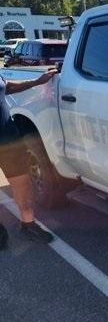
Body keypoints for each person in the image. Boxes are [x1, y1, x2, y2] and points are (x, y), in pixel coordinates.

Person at [0, 70, 57, 249]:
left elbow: (6, 87)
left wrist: (36, 82)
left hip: (8, 139)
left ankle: (28, 225)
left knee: (22, 185)